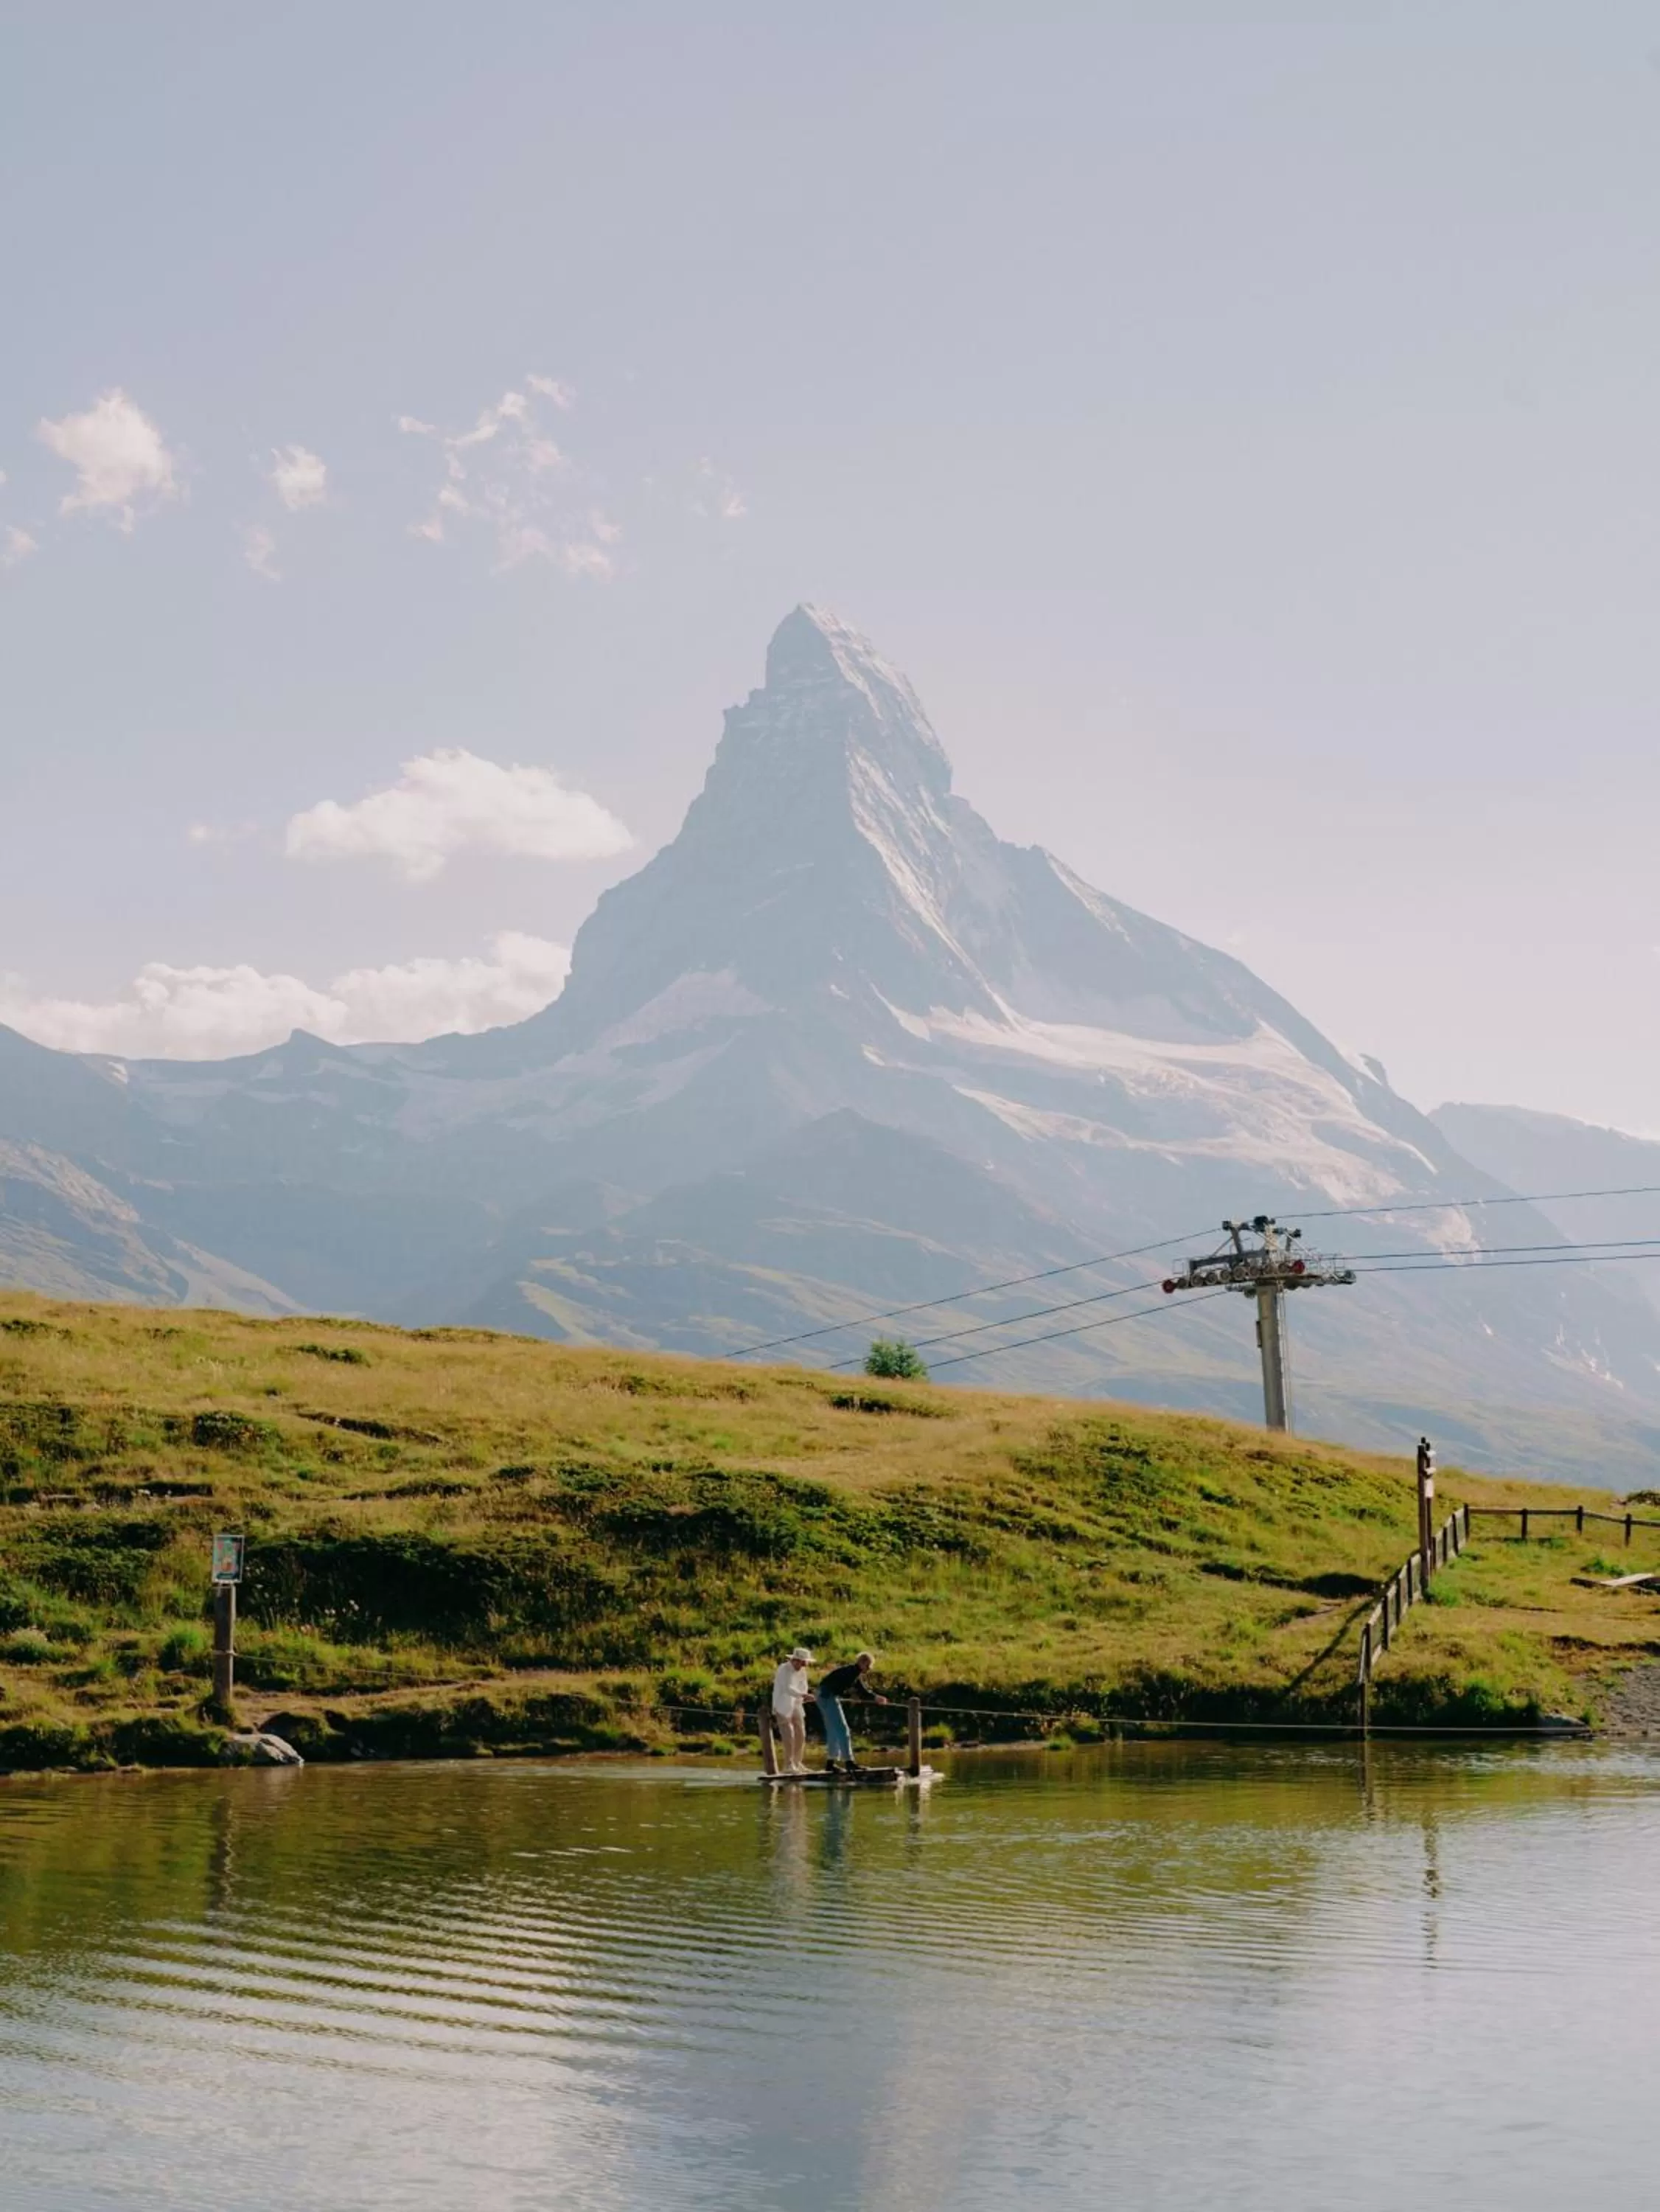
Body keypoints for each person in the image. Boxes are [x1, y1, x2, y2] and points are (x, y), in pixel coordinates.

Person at [814, 1652, 886, 1774]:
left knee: (833, 1730)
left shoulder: (852, 1671)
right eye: (868, 1666)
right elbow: (861, 1690)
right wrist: (875, 1698)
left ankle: (830, 1764)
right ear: (862, 1663)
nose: (869, 1669)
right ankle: (849, 1762)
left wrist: (869, 1696)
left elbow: (853, 1687)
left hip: (823, 1695)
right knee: (842, 1729)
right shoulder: (852, 1672)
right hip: (827, 1696)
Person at [771, 1646, 812, 1773]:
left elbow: (803, 1687)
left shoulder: (802, 1671)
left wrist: (805, 1696)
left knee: (801, 1733)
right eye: (802, 1662)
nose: (804, 1665)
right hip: (782, 1706)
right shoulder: (783, 1669)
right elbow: (788, 1688)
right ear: (795, 1660)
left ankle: (797, 1763)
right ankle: (788, 1765)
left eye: (805, 1663)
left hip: (796, 1705)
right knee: (789, 1735)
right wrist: (803, 1695)